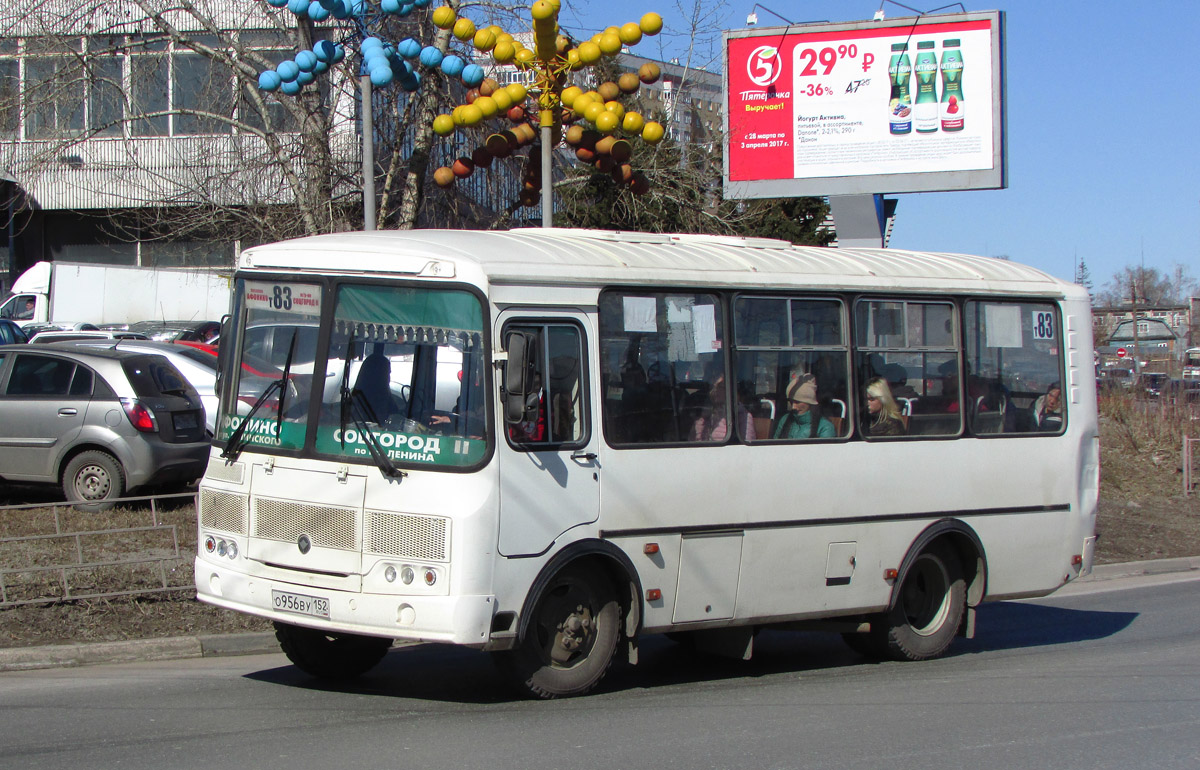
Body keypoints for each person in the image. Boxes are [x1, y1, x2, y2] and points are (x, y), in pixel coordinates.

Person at [690, 372, 756, 442]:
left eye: (720, 386)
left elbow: (747, 449)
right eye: (713, 386)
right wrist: (702, 419)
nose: (715, 390)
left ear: (730, 390)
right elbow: (695, 441)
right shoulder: (708, 414)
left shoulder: (743, 416)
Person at [773, 374, 835, 439]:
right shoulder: (785, 420)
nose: (793, 407)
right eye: (791, 402)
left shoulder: (825, 427)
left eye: (797, 402)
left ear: (810, 402)